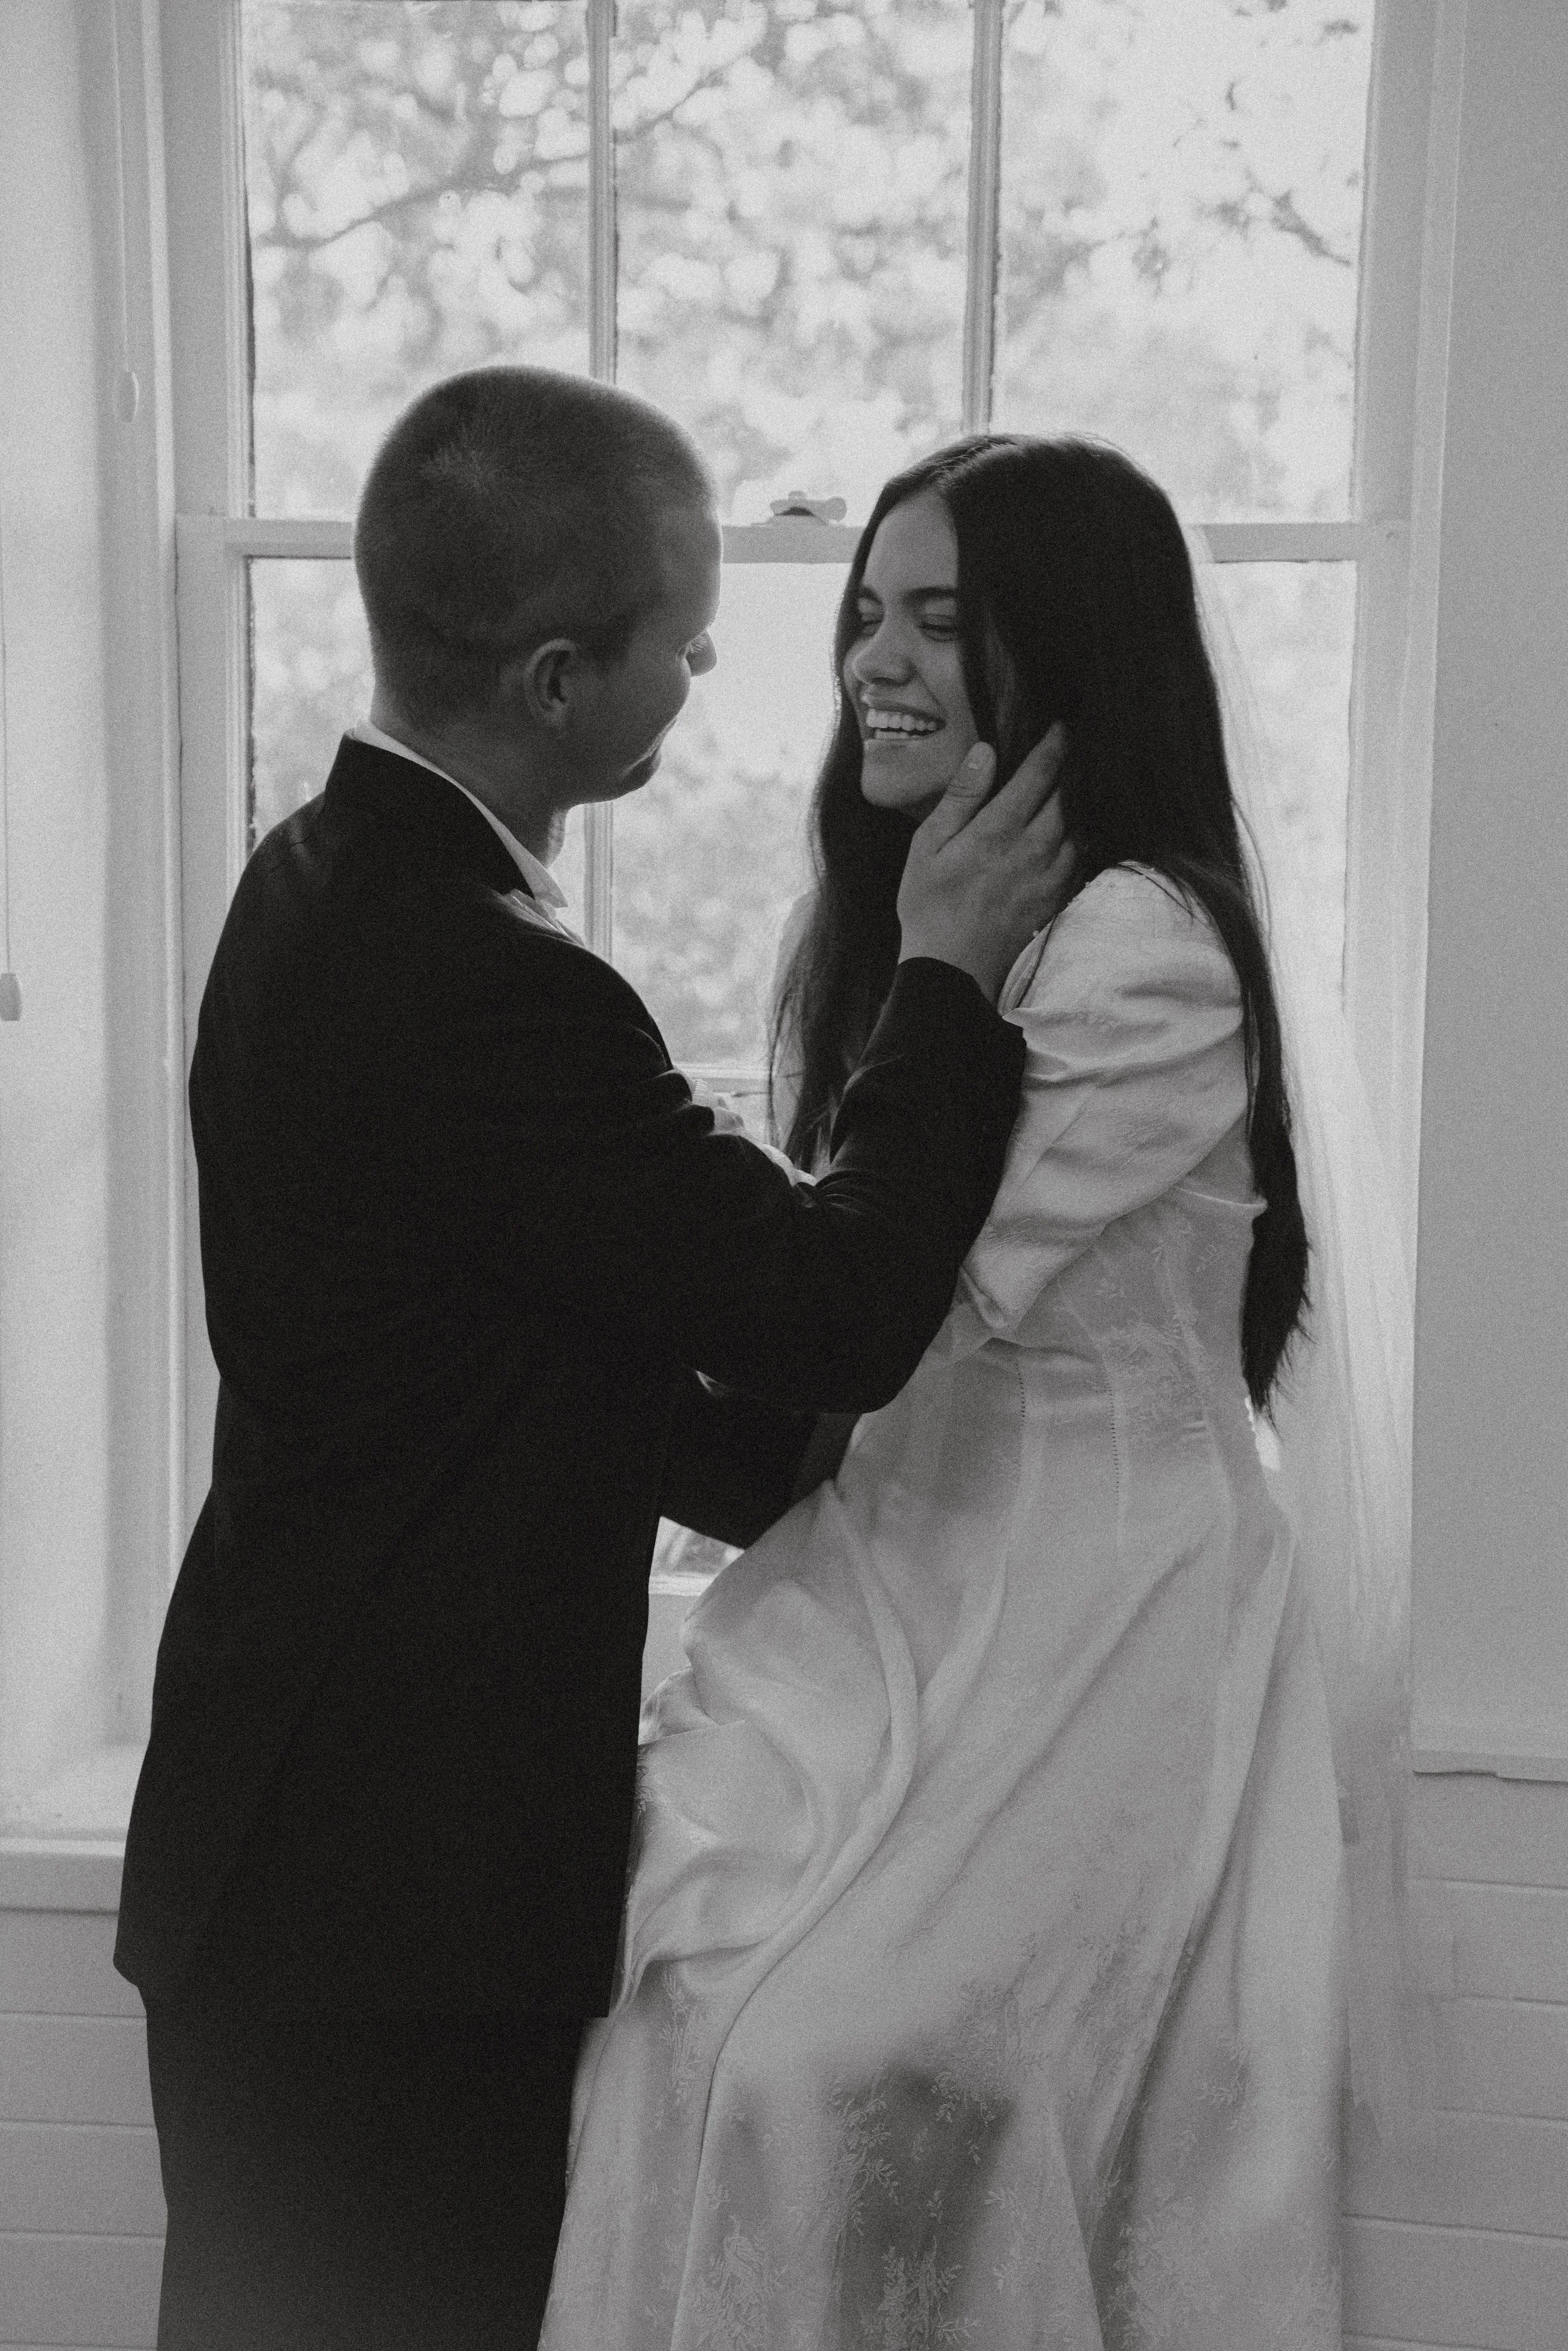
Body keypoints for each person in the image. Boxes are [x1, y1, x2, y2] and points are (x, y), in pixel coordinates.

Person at [113, 371, 1078, 2349]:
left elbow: (517, 1343)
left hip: (287, 1858)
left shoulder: (312, 874)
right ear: (560, 679)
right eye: (686, 634)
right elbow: (822, 1301)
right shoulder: (494, 978)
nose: (723, 662)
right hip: (392, 1900)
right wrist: (947, 971)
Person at [541, 435, 1355, 2350]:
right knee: (683, 2014)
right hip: (913, 1560)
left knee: (839, 2058)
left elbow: (881, 1295)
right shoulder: (937, 922)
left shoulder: (1138, 942)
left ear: (1059, 656)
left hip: (1087, 1604)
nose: (873, 665)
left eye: (939, 621)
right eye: (863, 615)